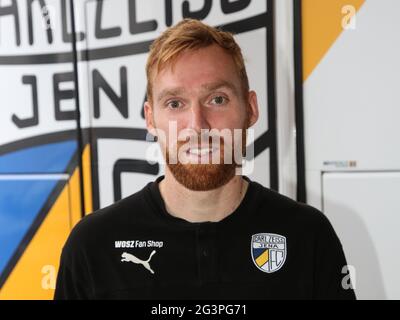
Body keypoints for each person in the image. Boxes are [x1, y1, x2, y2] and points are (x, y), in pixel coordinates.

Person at [55, 19, 355, 300]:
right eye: (175, 103)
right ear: (150, 118)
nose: (197, 125)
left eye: (217, 99)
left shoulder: (308, 235)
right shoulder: (93, 246)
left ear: (250, 109)